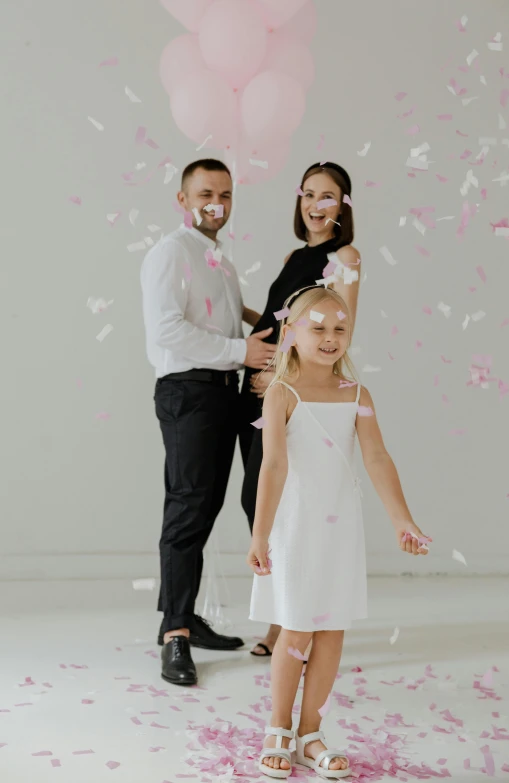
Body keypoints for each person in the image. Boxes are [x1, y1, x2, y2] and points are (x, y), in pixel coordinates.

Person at [246, 286, 431, 778]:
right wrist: (260, 534)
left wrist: (401, 519)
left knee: (331, 629)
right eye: (318, 327)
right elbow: (273, 467)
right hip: (298, 526)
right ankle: (277, 728)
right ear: (292, 334)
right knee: (298, 625)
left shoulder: (357, 395)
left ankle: (310, 732)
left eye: (340, 329)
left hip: (340, 528)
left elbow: (376, 456)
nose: (330, 338)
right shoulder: (282, 394)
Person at [140, 158, 274, 687]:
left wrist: (277, 325)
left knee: (206, 505)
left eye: (224, 193)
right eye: (204, 194)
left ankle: (185, 616)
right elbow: (169, 329)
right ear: (183, 199)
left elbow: (228, 314)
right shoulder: (172, 253)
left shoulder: (216, 257)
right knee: (189, 507)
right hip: (189, 392)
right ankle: (174, 634)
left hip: (220, 392)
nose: (215, 203)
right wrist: (243, 352)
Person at [239, 162, 361, 658]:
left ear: (343, 204)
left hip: (293, 393)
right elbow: (280, 317)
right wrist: (238, 316)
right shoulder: (295, 254)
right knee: (259, 500)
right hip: (262, 388)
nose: (315, 204)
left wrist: (283, 377)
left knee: (293, 505)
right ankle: (285, 611)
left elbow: (340, 324)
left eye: (327, 196)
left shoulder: (345, 255)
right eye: (308, 194)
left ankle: (287, 622)